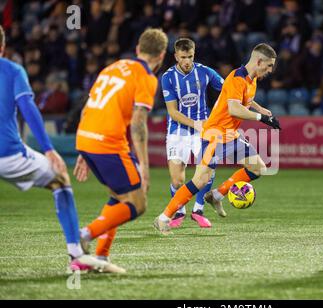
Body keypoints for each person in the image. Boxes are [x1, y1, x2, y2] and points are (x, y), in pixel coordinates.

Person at [0, 26, 115, 273]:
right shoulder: (11, 70)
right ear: (3, 47)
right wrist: (49, 149)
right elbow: (28, 109)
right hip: (8, 154)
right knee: (61, 179)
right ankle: (76, 253)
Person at [154, 43, 281, 235]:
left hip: (231, 135)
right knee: (199, 180)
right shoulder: (237, 78)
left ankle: (216, 195)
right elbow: (234, 108)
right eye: (269, 65)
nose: (270, 70)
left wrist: (260, 109)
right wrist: (261, 118)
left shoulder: (251, 80)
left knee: (259, 167)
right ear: (259, 61)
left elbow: (243, 101)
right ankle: (163, 218)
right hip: (215, 134)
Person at [74, 28, 168, 268]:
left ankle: (101, 257)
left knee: (118, 195)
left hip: (86, 138)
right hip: (108, 143)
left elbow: (88, 107)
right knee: (138, 203)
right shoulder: (146, 77)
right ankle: (83, 236)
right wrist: (145, 167)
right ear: (162, 55)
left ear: (138, 48)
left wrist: (83, 150)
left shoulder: (113, 67)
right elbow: (138, 124)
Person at [161, 38, 224, 228]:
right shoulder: (168, 77)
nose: (187, 61)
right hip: (178, 130)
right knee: (177, 179)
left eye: (190, 56)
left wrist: (214, 115)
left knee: (206, 171)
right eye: (183, 57)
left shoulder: (205, 72)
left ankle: (198, 210)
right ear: (176, 57)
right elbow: (172, 112)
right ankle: (179, 211)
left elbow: (228, 90)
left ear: (194, 54)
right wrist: (196, 124)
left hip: (202, 130)